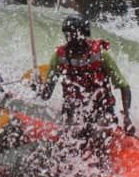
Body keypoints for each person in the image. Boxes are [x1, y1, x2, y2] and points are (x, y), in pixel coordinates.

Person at [37, 15, 133, 162]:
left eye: (75, 35)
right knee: (68, 143)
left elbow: (124, 87)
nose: (72, 39)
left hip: (102, 111)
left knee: (98, 134)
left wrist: (126, 117)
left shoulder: (101, 56)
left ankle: (102, 167)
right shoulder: (59, 57)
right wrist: (36, 86)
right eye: (68, 35)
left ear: (84, 35)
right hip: (74, 112)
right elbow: (46, 95)